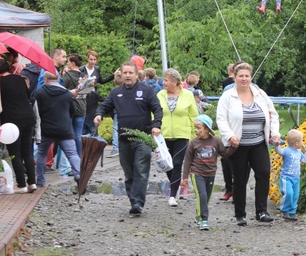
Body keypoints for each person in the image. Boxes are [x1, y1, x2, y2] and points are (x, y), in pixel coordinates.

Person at [94, 61, 162, 216]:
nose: (128, 76)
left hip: (142, 138)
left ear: (137, 74)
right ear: (121, 74)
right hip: (124, 139)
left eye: (131, 73)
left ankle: (138, 202)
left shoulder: (147, 90)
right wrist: (99, 115)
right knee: (129, 173)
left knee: (141, 170)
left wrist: (156, 125)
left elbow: (157, 109)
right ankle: (134, 201)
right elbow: (104, 106)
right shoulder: (116, 92)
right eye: (125, 73)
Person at [216, 61, 280, 225]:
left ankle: (261, 211)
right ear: (235, 77)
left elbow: (273, 115)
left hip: (258, 143)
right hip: (238, 146)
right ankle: (240, 214)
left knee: (264, 173)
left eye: (247, 76)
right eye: (241, 76)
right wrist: (230, 135)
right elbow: (221, 119)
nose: (244, 79)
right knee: (239, 180)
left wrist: (275, 133)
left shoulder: (260, 94)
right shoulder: (228, 96)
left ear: (251, 77)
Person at [0, 58, 38, 193]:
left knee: (15, 152)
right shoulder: (20, 79)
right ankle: (32, 183)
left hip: (12, 121)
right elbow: (28, 96)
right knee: (27, 151)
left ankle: (22, 185)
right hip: (28, 118)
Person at [156, 68, 198, 207]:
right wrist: (153, 127)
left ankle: (173, 195)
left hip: (182, 134)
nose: (163, 83)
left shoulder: (188, 95)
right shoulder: (160, 94)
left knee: (177, 163)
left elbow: (193, 115)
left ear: (175, 82)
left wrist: (195, 133)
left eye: (166, 80)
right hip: (164, 134)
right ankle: (175, 183)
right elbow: (155, 113)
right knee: (167, 164)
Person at [182, 114, 231, 230]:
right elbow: (188, 160)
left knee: (206, 197)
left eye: (199, 128)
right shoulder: (193, 143)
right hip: (196, 173)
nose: (196, 130)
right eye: (195, 127)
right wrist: (185, 177)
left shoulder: (216, 141)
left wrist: (234, 147)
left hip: (211, 173)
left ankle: (199, 214)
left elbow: (225, 155)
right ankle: (204, 219)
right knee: (202, 195)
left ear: (207, 129)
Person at [34, 71, 81, 188]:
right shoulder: (67, 93)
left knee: (41, 154)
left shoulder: (39, 93)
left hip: (46, 130)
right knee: (72, 154)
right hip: (65, 129)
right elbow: (73, 111)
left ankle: (40, 180)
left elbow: (36, 112)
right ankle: (78, 174)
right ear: (58, 78)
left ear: (45, 79)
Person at [274, 129, 306, 220]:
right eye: (302, 140)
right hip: (286, 177)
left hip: (296, 178)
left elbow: (305, 160)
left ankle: (292, 212)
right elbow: (279, 151)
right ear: (297, 143)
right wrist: (277, 145)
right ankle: (284, 210)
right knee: (289, 193)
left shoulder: (299, 152)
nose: (303, 142)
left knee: (295, 196)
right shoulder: (286, 150)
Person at [80, 50, 114, 135]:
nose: (93, 62)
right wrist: (88, 84)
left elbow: (101, 81)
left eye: (94, 60)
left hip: (93, 96)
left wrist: (113, 75)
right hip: (83, 96)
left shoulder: (97, 69)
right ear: (87, 59)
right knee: (84, 119)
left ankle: (93, 139)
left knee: (92, 119)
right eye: (91, 59)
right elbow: (79, 85)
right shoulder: (82, 69)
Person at [62, 53, 86, 156]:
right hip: (82, 107)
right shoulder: (85, 76)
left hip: (70, 108)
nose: (67, 64)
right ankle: (79, 158)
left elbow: (62, 90)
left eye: (68, 62)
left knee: (69, 135)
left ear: (72, 63)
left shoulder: (67, 75)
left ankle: (70, 158)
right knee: (78, 134)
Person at [218, 63, 236, 201]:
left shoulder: (255, 89)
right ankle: (229, 188)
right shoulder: (228, 89)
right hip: (229, 130)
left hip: (247, 135)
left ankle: (238, 190)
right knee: (226, 159)